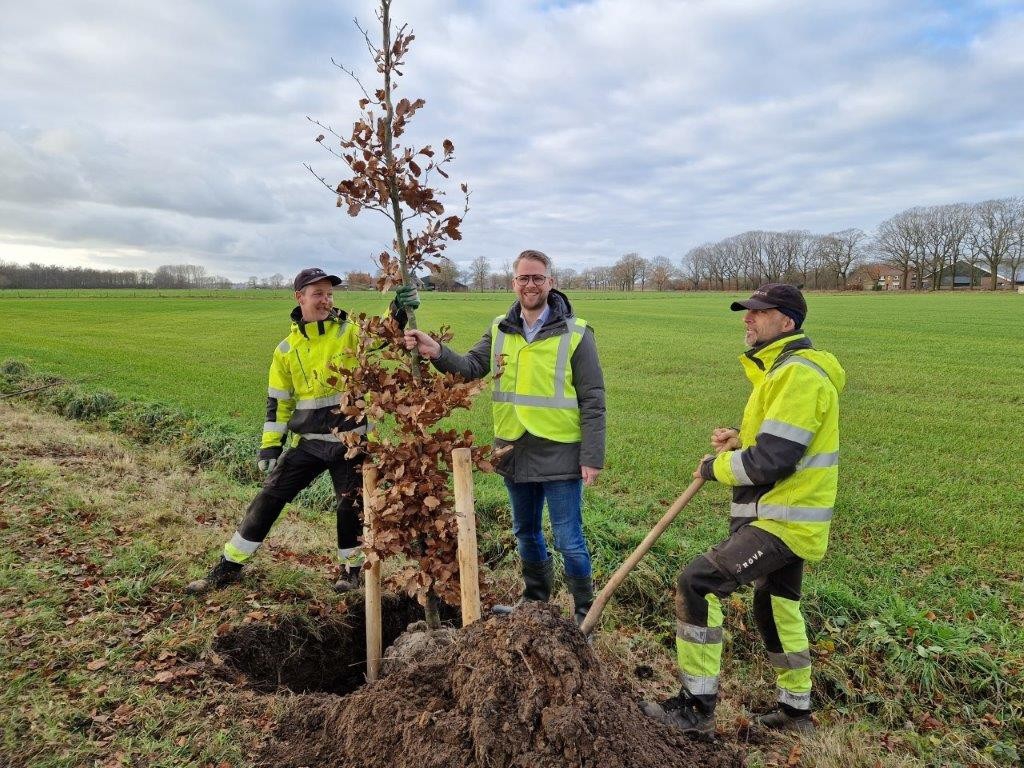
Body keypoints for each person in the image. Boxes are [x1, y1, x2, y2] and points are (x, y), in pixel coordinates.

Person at [642, 283, 845, 736]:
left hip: (784, 518)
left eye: (758, 312)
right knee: (777, 607)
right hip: (786, 515)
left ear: (787, 322)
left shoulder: (798, 375)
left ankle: (695, 708)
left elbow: (772, 461)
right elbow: (776, 443)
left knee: (698, 583)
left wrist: (718, 466)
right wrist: (740, 440)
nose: (746, 319)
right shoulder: (779, 372)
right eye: (746, 312)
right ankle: (797, 712)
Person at [186, 267, 420, 594]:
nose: (326, 300)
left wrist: (398, 309)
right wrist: (270, 447)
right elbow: (278, 404)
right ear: (300, 297)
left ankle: (349, 572)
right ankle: (228, 567)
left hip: (350, 442)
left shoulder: (348, 331)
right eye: (318, 294)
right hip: (308, 444)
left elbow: (382, 333)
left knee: (349, 507)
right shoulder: (286, 350)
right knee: (268, 498)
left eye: (329, 294)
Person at [403, 249, 606, 625]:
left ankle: (584, 615)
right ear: (513, 283)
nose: (530, 284)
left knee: (569, 539)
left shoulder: (576, 333)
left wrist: (592, 456)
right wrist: (436, 351)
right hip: (513, 449)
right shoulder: (500, 328)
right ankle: (534, 604)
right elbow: (470, 368)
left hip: (560, 451)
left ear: (551, 282)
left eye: (538, 278)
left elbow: (593, 398)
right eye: (523, 278)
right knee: (525, 531)